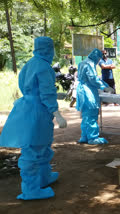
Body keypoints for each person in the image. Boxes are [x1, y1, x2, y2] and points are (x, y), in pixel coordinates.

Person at [0, 37, 67, 200]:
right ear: (49, 49)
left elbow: (27, 87)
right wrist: (57, 114)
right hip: (38, 111)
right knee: (34, 148)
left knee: (42, 145)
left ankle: (43, 177)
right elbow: (46, 93)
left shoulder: (30, 64)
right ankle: (31, 189)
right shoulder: (44, 67)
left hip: (28, 108)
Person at [76, 48, 114, 144]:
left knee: (85, 115)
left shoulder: (82, 62)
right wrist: (104, 87)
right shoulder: (90, 64)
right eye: (99, 58)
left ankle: (84, 136)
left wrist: (104, 84)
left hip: (81, 91)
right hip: (88, 92)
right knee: (91, 114)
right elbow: (93, 79)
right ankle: (93, 138)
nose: (98, 61)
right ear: (96, 57)